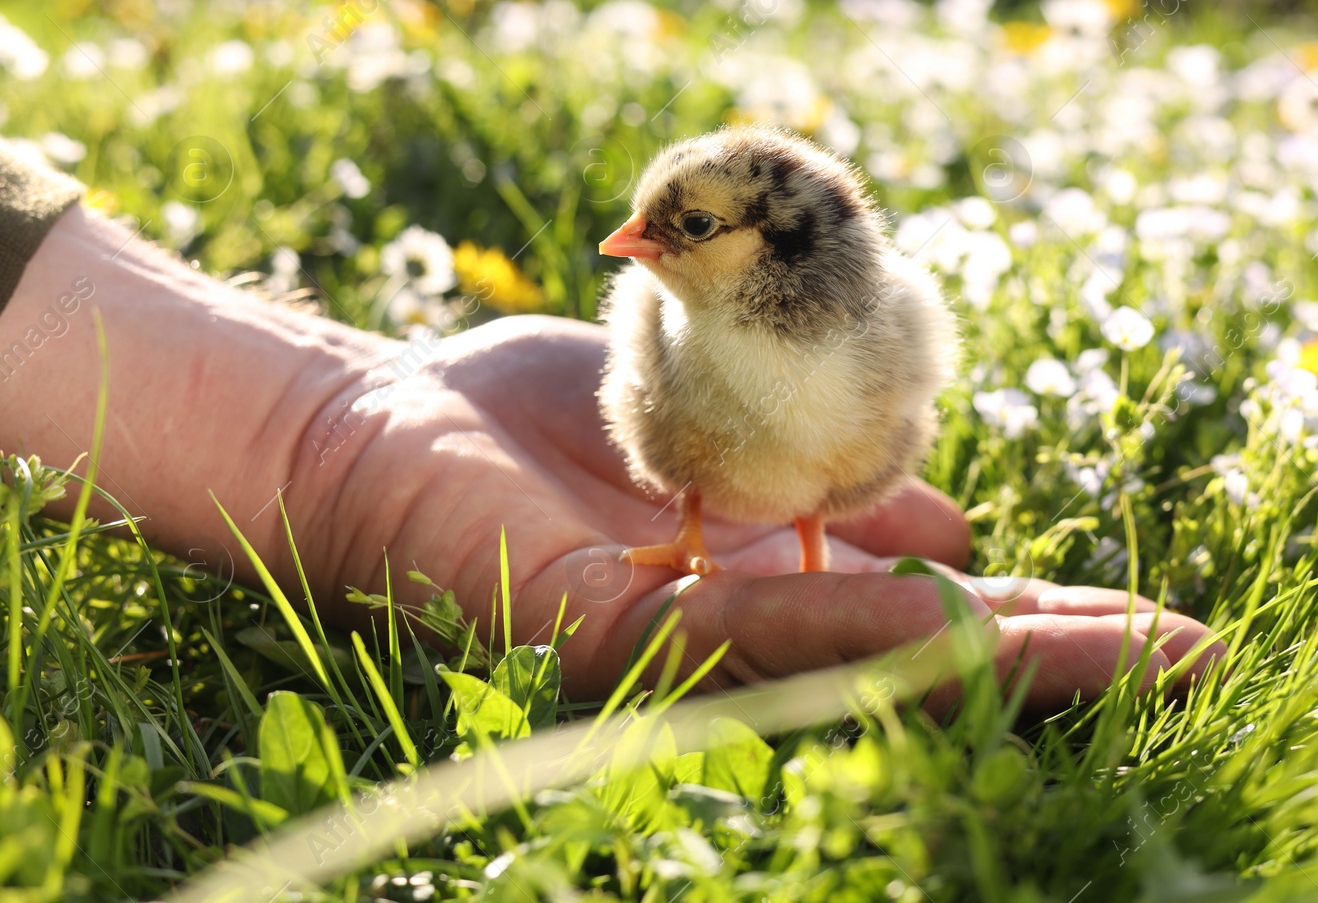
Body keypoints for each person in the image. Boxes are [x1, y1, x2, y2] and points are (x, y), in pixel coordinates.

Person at [0, 141, 1223, 710]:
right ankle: (697, 537)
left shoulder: (864, 321)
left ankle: (792, 553)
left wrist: (310, 413)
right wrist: (319, 440)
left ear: (776, 243)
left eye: (675, 232)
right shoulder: (666, 322)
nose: (633, 252)